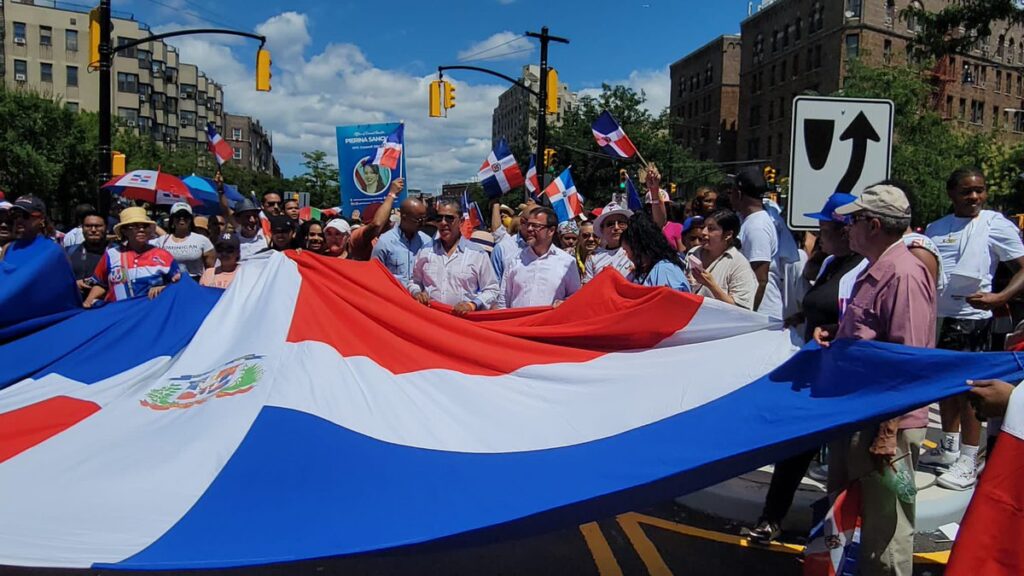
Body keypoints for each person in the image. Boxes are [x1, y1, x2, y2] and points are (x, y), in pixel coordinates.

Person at [815, 184, 935, 576]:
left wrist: (887, 431)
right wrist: (838, 332)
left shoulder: (903, 274)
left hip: (885, 426)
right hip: (859, 416)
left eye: (853, 221)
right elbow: (874, 333)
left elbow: (908, 360)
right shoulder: (875, 269)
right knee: (849, 517)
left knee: (887, 530)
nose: (846, 228)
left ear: (875, 224)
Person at [746, 193, 864, 544]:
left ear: (844, 231)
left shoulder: (862, 270)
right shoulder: (828, 264)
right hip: (812, 371)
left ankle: (837, 537)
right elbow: (817, 304)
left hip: (840, 379)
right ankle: (772, 517)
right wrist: (798, 317)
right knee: (793, 450)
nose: (818, 234)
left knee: (845, 463)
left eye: (823, 228)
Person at [916, 168, 1024, 490]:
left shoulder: (994, 224)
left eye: (980, 190)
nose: (974, 197)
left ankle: (968, 459)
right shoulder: (935, 229)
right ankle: (948, 449)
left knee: (969, 391)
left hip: (974, 320)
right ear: (951, 193)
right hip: (938, 318)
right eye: (966, 191)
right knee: (946, 387)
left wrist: (999, 297)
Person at [407, 198, 499, 315]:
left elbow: (492, 289)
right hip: (431, 320)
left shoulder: (477, 254)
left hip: (462, 324)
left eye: (449, 218)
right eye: (439, 218)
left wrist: (472, 304)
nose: (443, 223)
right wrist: (416, 293)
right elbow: (414, 281)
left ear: (461, 221)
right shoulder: (425, 251)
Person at [83, 207, 181, 307]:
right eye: (135, 226)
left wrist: (164, 288)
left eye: (145, 226)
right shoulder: (111, 255)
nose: (141, 229)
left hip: (152, 315)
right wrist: (88, 302)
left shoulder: (164, 255)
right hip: (119, 316)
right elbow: (101, 284)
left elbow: (179, 286)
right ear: (124, 231)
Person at [729, 167, 784, 318]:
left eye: (731, 192)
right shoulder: (750, 221)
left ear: (739, 194)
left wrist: (747, 314)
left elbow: (760, 279)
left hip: (761, 313)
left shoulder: (757, 227)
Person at [500, 207, 581, 308]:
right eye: (528, 224)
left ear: (551, 231)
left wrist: (564, 303)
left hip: (550, 322)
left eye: (535, 226)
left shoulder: (568, 262)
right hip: (518, 323)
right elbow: (503, 301)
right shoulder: (514, 260)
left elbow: (576, 297)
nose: (529, 229)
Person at [688, 210, 757, 307]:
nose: (703, 232)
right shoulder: (693, 253)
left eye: (711, 229)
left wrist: (711, 286)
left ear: (728, 235)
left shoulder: (738, 264)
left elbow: (741, 309)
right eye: (704, 227)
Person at [620, 212, 690, 292]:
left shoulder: (665, 271)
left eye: (626, 250)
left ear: (638, 247)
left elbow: (672, 301)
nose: (626, 255)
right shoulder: (640, 273)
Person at [371, 196, 431, 284]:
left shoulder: (426, 241)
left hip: (420, 295)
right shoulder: (385, 242)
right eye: (418, 220)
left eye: (424, 219)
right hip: (394, 294)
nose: (422, 224)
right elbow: (375, 273)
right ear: (404, 217)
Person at [150, 202, 214, 280]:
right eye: (178, 216)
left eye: (185, 216)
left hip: (194, 282)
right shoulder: (161, 241)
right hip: (169, 282)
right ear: (172, 219)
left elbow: (210, 269)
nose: (182, 218)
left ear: (191, 219)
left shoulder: (202, 240)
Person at [349, 177, 405, 261]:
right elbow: (377, 224)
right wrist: (392, 194)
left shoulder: (393, 239)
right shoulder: (358, 237)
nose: (390, 224)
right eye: (386, 222)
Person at [66, 211, 109, 298]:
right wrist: (73, 284)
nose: (93, 230)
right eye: (88, 226)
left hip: (107, 306)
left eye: (98, 226)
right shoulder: (69, 252)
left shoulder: (117, 253)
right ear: (82, 228)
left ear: (106, 228)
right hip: (77, 306)